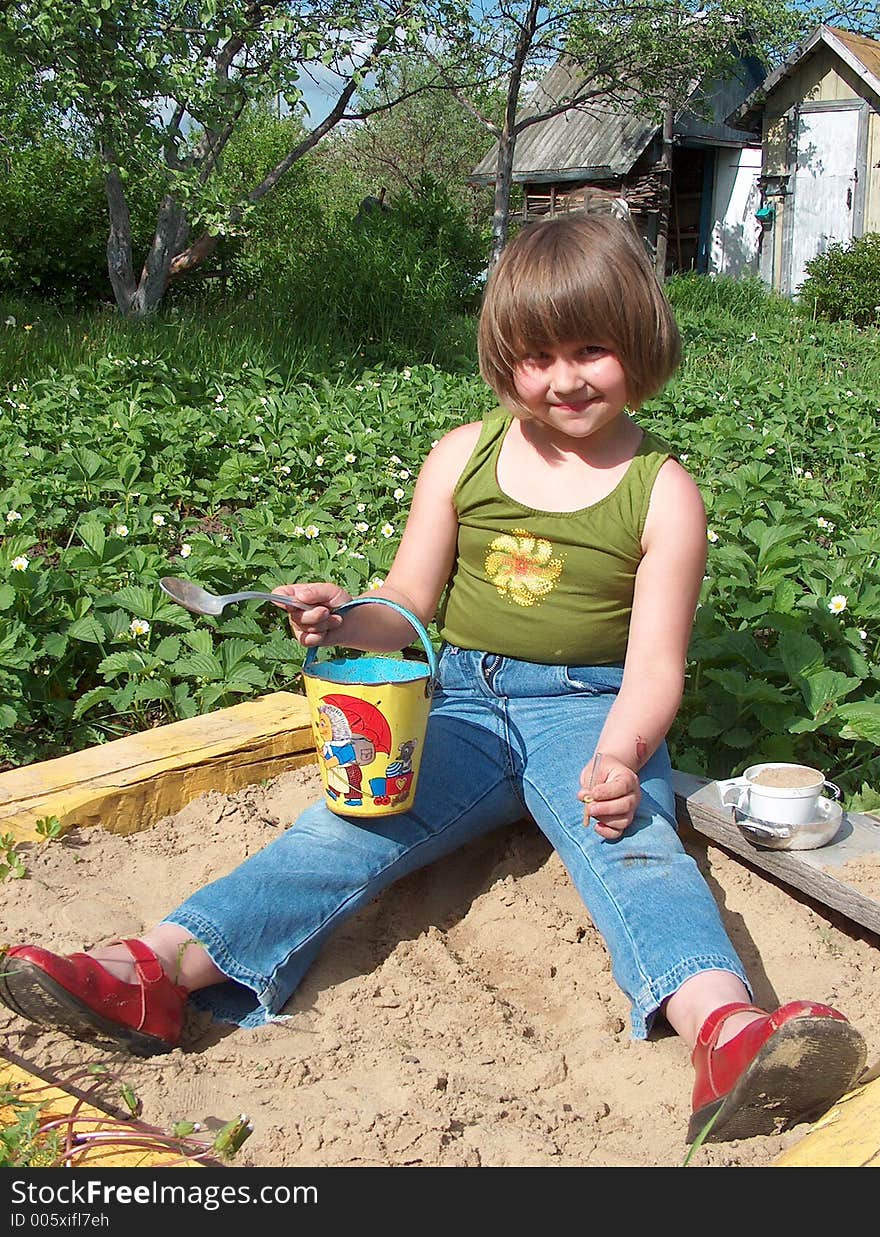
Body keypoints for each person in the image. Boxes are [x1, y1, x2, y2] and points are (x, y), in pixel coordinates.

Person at [0, 214, 866, 1144]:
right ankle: (158, 972)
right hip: (459, 700)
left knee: (639, 849)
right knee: (344, 827)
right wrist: (342, 620)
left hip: (594, 711)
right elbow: (407, 601)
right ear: (504, 358)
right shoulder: (465, 457)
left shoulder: (662, 492)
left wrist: (622, 757)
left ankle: (724, 1034)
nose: (564, 378)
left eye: (591, 349)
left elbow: (656, 664)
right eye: (537, 356)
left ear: (640, 344)